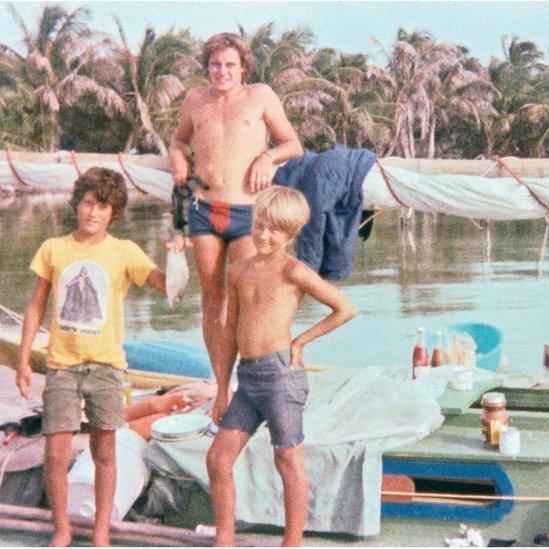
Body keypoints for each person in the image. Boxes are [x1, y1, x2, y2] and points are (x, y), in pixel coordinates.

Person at [15, 167, 166, 547]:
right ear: (77, 204)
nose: (93, 213)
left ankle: (101, 530)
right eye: (87, 203)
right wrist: (21, 361)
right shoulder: (53, 248)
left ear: (113, 213)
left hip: (106, 367)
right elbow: (35, 307)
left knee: (105, 450)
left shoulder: (125, 251)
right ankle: (62, 527)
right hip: (62, 366)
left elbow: (165, 286)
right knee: (55, 450)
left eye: (102, 207)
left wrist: (181, 253)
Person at [206, 186, 356, 547]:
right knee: (217, 459)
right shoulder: (238, 270)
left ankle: (292, 544)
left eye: (275, 230)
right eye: (260, 225)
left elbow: (344, 309)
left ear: (291, 234)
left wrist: (301, 341)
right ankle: (224, 538)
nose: (264, 235)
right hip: (247, 378)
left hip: (280, 377)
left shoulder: (294, 270)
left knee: (287, 461)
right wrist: (222, 390)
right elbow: (228, 331)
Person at [168, 32, 303, 383]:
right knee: (212, 300)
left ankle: (255, 379)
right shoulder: (195, 99)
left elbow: (293, 144)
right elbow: (180, 138)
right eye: (215, 64)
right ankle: (221, 385)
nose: (222, 71)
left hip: (249, 214)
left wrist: (268, 156)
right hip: (204, 208)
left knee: (246, 296)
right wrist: (177, 156)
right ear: (207, 67)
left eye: (230, 65)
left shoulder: (260, 96)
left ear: (243, 68)